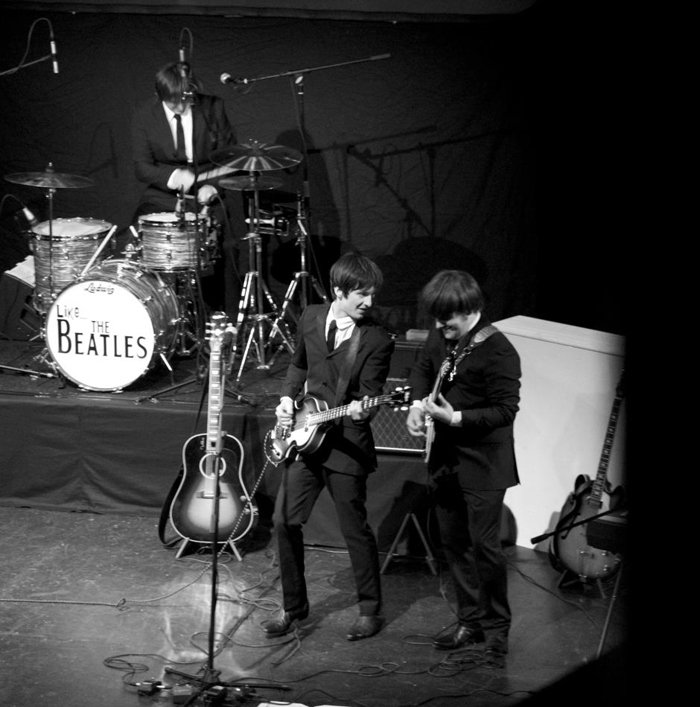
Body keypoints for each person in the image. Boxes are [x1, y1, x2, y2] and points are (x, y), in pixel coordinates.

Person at [262, 252, 394, 641]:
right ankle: (293, 607)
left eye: (372, 295)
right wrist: (287, 399)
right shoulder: (310, 316)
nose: (369, 302)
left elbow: (371, 395)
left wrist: (362, 411)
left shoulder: (376, 339)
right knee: (284, 521)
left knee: (354, 529)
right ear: (338, 291)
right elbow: (299, 365)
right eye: (361, 294)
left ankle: (370, 610)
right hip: (305, 436)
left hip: (346, 444)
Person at [406, 269, 521, 662]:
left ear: (471, 309)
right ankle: (469, 621)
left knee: (485, 547)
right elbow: (423, 367)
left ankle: (497, 630)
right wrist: (417, 405)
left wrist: (454, 418)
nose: (440, 328)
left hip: (484, 463)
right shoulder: (442, 333)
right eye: (437, 320)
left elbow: (505, 411)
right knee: (453, 544)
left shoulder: (500, 351)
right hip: (445, 460)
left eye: (447, 320)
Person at [130, 60, 242, 314]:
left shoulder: (213, 107)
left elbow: (231, 157)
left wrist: (213, 186)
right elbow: (141, 167)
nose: (181, 107)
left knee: (228, 247)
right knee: (138, 240)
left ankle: (224, 319)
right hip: (162, 195)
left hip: (206, 192)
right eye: (174, 103)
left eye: (185, 100)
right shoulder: (143, 114)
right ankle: (154, 313)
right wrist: (173, 176)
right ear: (160, 96)